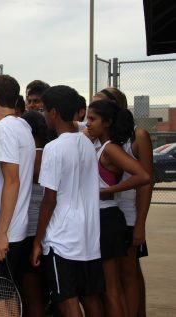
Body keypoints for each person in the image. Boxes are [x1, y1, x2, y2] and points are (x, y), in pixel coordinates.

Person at [32, 85, 104, 317]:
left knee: (67, 301)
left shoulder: (53, 148)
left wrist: (37, 240)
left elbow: (49, 199)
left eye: (44, 110)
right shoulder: (87, 143)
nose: (43, 115)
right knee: (91, 298)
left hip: (62, 240)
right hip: (89, 236)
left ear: (53, 112)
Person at [86, 99, 151, 316]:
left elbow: (143, 175)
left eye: (93, 119)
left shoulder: (110, 148)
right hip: (104, 218)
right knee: (110, 287)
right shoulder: (100, 146)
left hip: (108, 218)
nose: (88, 123)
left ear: (107, 123)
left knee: (112, 289)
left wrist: (107, 191)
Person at [0, 74, 35, 291]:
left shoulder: (5, 130)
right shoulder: (20, 125)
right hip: (14, 230)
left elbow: (12, 181)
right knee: (7, 296)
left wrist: (1, 234)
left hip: (2, 232)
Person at [21, 111, 50, 317]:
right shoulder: (51, 153)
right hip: (49, 232)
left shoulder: (31, 157)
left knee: (32, 297)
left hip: (30, 233)